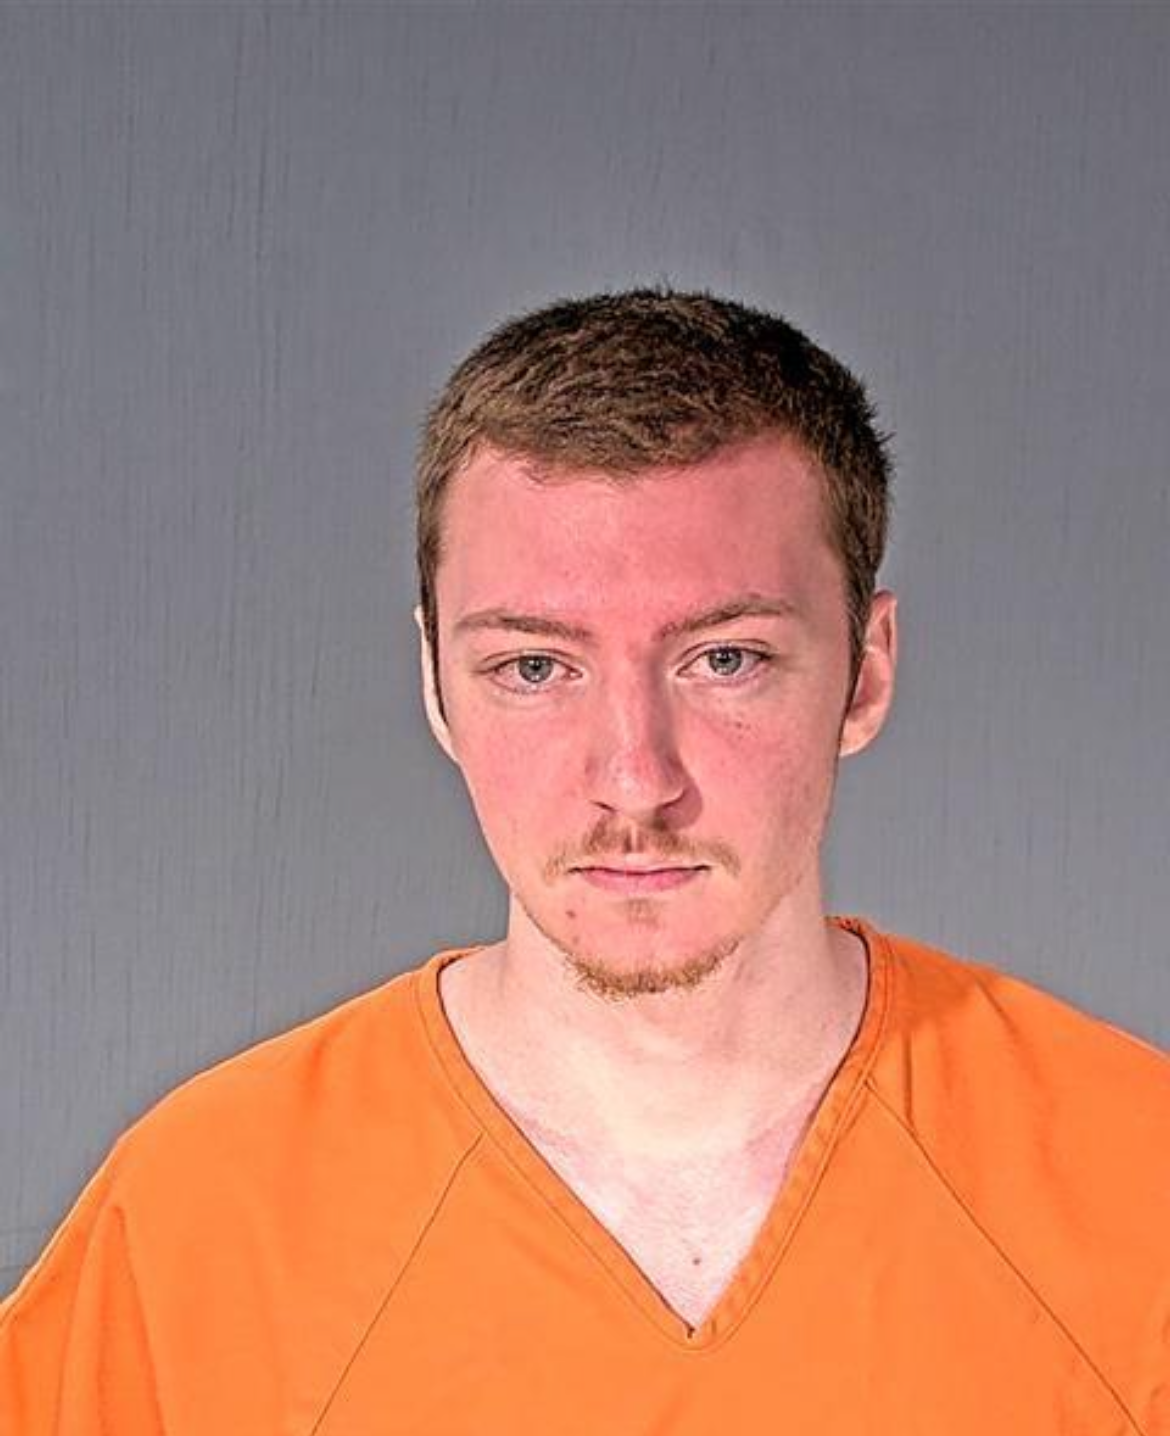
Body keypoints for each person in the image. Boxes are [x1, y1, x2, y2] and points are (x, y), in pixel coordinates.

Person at [1, 287, 1166, 1434]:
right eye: (534, 667)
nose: (635, 777)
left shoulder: (1135, 1180)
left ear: (865, 670)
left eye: (726, 658)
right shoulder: (199, 1225)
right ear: (436, 683)